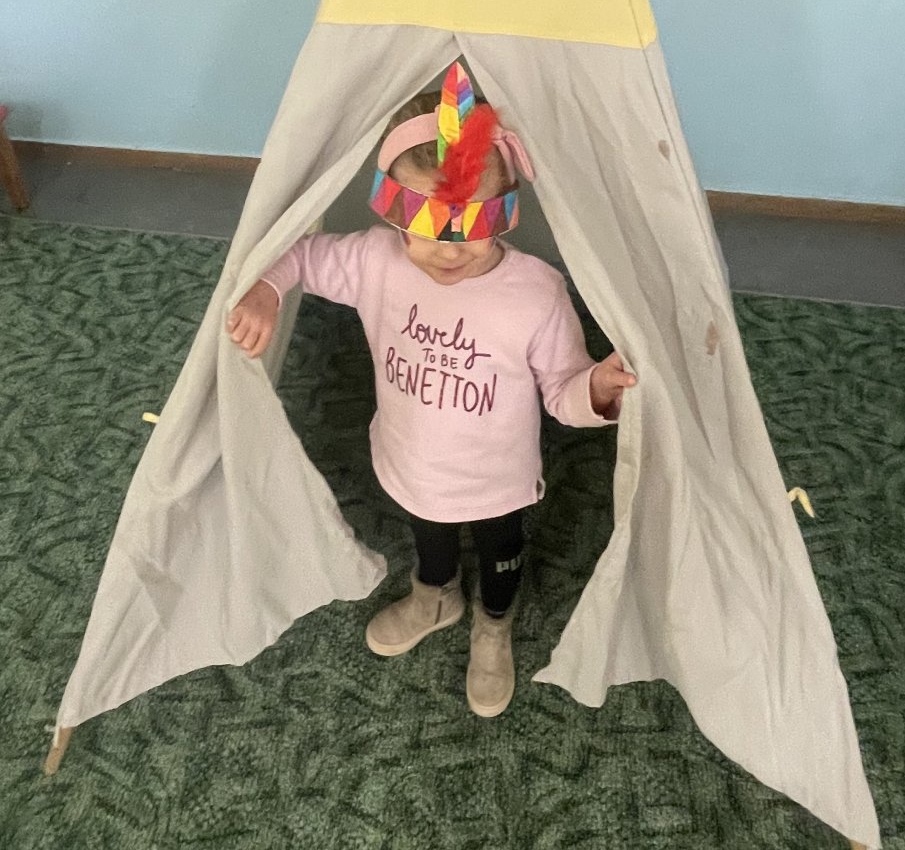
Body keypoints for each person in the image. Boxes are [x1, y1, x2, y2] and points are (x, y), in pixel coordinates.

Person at [226, 63, 636, 719]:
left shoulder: (536, 293)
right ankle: (434, 595)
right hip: (411, 460)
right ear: (392, 210)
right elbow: (299, 253)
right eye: (424, 224)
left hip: (499, 478)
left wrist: (599, 388)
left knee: (501, 553)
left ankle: (494, 625)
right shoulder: (374, 260)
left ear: (506, 207)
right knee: (430, 535)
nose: (448, 249)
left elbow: (563, 391)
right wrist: (268, 289)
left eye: (472, 223)